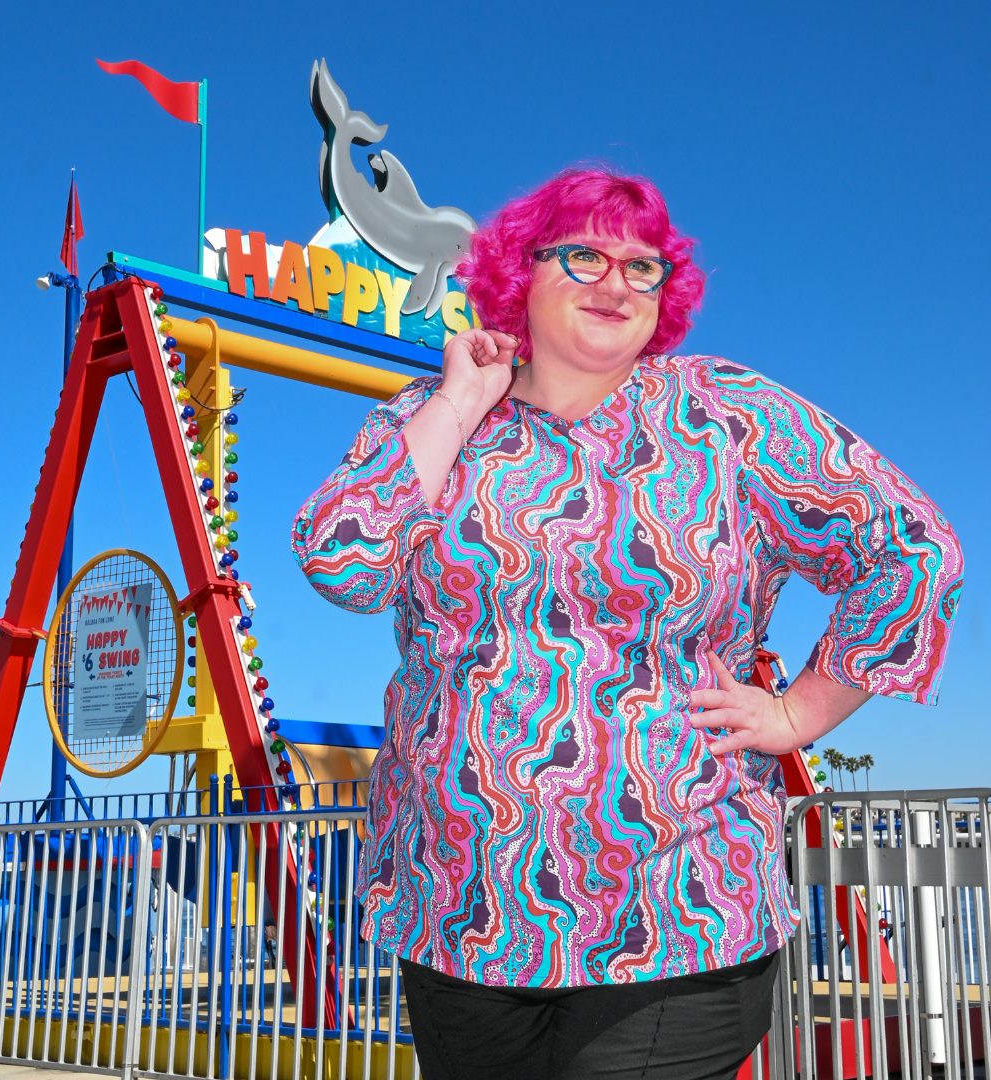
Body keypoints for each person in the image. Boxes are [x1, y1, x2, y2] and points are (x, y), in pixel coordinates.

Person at [292, 169, 962, 1080]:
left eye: (641, 268)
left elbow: (912, 548)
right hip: (453, 914)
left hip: (675, 912)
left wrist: (798, 714)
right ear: (516, 275)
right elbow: (342, 560)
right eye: (583, 256)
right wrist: (457, 402)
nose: (615, 283)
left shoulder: (726, 416)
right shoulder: (433, 418)